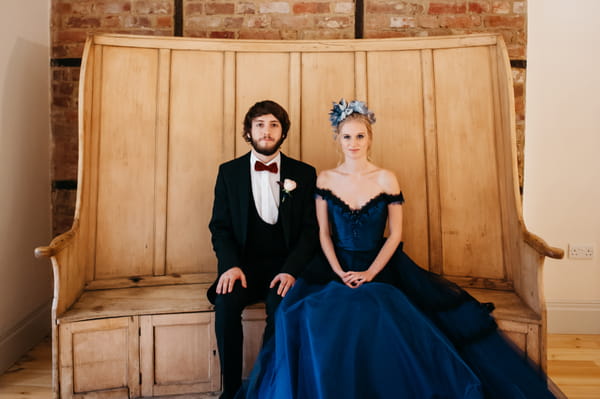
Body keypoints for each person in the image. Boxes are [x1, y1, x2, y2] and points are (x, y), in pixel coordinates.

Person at [235, 99, 557, 398]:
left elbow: (395, 234)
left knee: (380, 307)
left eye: (360, 136)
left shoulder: (387, 179)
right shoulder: (325, 179)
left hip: (381, 264)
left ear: (370, 138)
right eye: (347, 137)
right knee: (308, 312)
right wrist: (340, 272)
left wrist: (370, 272)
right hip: (334, 266)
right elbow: (323, 234)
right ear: (338, 138)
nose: (354, 144)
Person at [208, 100, 318, 399]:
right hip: (242, 268)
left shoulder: (304, 174)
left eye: (273, 125)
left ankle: (264, 387)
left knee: (281, 308)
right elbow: (220, 227)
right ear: (248, 131)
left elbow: (311, 232)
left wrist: (291, 270)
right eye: (259, 124)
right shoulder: (228, 173)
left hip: (284, 269)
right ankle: (231, 390)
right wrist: (230, 265)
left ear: (283, 132)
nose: (266, 131)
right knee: (226, 304)